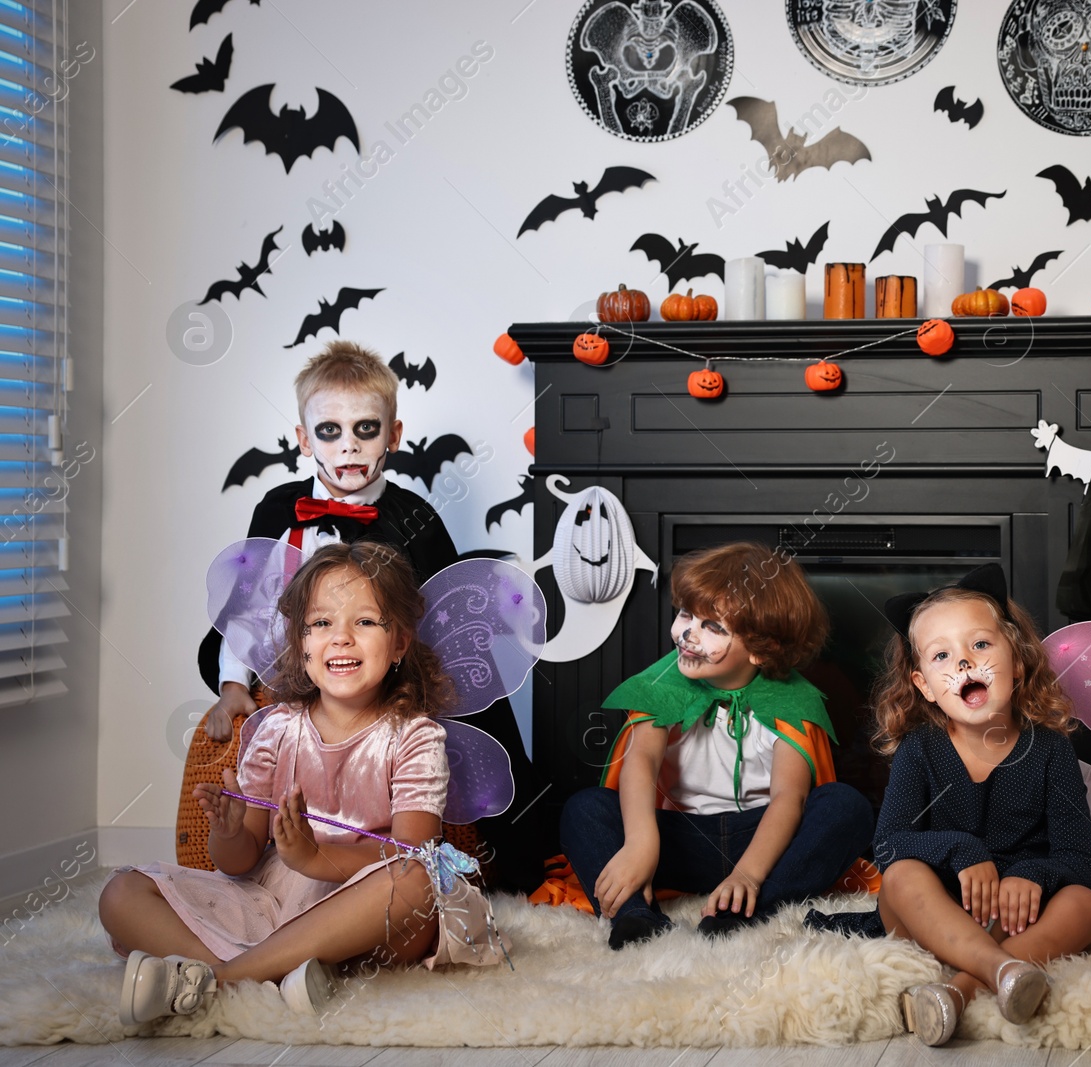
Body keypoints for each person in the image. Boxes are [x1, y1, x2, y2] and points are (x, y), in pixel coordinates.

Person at [102, 543, 501, 1026]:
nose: (342, 639)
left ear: (399, 643)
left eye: (365, 622)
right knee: (121, 893)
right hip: (275, 899)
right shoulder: (275, 729)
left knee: (416, 883)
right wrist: (229, 833)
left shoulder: (415, 736)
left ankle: (221, 979)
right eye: (321, 623)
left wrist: (316, 858)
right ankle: (278, 972)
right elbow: (239, 862)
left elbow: (413, 851)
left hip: (365, 910)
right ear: (301, 644)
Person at [189, 340, 538, 891]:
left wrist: (413, 689)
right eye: (329, 431)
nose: (348, 446)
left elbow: (440, 618)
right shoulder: (278, 510)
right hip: (297, 675)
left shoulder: (414, 516)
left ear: (393, 436)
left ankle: (504, 862)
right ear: (304, 439)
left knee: (480, 724)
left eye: (365, 430)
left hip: (394, 678)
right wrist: (235, 683)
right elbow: (249, 604)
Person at [808, 564, 1091, 1047]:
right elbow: (889, 844)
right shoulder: (920, 749)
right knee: (901, 876)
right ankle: (998, 967)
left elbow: (1080, 862)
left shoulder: (1050, 749)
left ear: (1019, 663)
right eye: (942, 656)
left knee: (1087, 906)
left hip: (1017, 913)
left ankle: (960, 989)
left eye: (981, 645)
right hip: (937, 908)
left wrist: (1033, 874)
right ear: (924, 685)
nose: (965, 664)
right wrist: (962, 851)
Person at [559, 541, 874, 949]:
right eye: (687, 614)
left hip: (763, 839)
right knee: (584, 808)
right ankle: (635, 914)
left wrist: (748, 875)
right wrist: (641, 845)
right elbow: (641, 761)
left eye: (713, 627)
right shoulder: (663, 685)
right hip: (679, 841)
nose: (688, 634)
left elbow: (788, 799)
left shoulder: (792, 702)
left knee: (845, 806)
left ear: (763, 650)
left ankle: (742, 912)